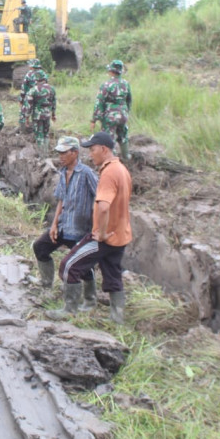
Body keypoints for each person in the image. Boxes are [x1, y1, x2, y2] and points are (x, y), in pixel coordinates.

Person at [56, 131, 132, 323]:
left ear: (104, 149)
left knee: (69, 265)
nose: (90, 155)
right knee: (112, 273)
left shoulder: (109, 173)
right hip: (121, 234)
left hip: (105, 236)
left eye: (93, 150)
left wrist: (102, 233)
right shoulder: (122, 169)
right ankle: (117, 318)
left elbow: (104, 207)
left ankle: (69, 309)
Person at [34, 137, 99, 319]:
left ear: (75, 153)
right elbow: (61, 199)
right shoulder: (63, 173)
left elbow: (101, 198)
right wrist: (54, 224)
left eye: (64, 152)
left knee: (80, 266)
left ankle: (87, 301)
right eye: (59, 153)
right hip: (63, 226)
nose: (61, 156)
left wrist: (97, 225)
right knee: (40, 247)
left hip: (81, 229)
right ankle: (46, 286)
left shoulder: (87, 174)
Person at [91, 60, 132, 160]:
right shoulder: (126, 84)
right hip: (123, 114)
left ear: (111, 71)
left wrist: (94, 119)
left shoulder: (106, 85)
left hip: (110, 116)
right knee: (123, 135)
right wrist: (126, 112)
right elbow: (129, 100)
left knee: (109, 138)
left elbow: (99, 102)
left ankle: (111, 160)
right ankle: (126, 156)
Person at [22, 69, 57, 157]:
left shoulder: (33, 90)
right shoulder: (52, 89)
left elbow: (29, 105)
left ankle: (42, 155)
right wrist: (53, 114)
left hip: (37, 116)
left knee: (39, 135)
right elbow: (54, 103)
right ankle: (46, 153)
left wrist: (26, 117)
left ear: (36, 80)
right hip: (47, 115)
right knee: (46, 134)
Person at [19, 59, 41, 128]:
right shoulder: (43, 74)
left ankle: (23, 128)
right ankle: (37, 128)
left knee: (23, 112)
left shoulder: (29, 74)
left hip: (30, 96)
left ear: (31, 66)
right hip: (41, 97)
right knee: (37, 113)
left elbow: (24, 88)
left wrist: (21, 100)